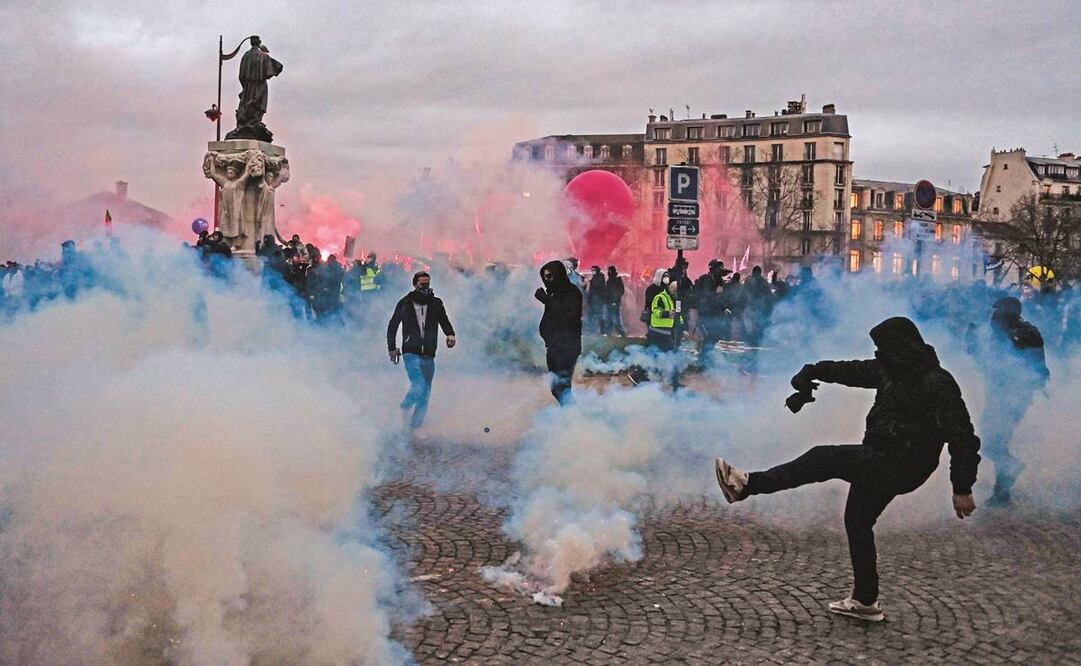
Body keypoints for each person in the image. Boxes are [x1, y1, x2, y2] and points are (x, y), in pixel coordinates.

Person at [714, 317, 980, 623]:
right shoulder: (891, 369)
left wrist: (962, 487)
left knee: (824, 458)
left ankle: (745, 484)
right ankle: (865, 601)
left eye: (883, 348)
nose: (878, 355)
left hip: (903, 464)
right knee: (857, 520)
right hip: (881, 455)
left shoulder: (936, 383)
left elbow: (963, 437)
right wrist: (814, 370)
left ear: (901, 347)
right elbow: (851, 370)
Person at [971, 296, 1049, 505]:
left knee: (994, 440)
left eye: (997, 313)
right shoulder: (1004, 333)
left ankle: (1003, 488)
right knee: (992, 440)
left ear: (1007, 315)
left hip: (1012, 397)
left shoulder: (1023, 335)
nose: (992, 317)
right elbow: (988, 363)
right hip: (999, 395)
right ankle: (1003, 487)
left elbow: (1036, 369)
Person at [387, 271, 456, 429]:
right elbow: (393, 325)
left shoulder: (436, 303)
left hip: (429, 353)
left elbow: (444, 320)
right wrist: (391, 348)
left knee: (425, 393)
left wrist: (450, 334)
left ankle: (414, 427)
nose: (426, 287)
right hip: (411, 351)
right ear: (415, 284)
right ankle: (403, 409)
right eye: (422, 284)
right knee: (418, 386)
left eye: (428, 284)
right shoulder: (405, 303)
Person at [535, 260, 583, 405]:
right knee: (557, 387)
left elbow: (568, 315)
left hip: (567, 347)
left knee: (561, 386)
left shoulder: (572, 292)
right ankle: (569, 415)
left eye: (550, 276)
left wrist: (547, 301)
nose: (547, 280)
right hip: (553, 346)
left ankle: (571, 415)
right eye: (545, 277)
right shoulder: (554, 293)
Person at [694, 260, 729, 364]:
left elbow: (720, 297)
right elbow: (708, 297)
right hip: (706, 314)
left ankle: (705, 360)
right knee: (709, 337)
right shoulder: (706, 280)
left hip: (714, 314)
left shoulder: (717, 281)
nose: (720, 273)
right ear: (712, 269)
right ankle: (702, 361)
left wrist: (723, 308)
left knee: (713, 338)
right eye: (718, 270)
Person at [647, 270, 682, 352]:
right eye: (674, 292)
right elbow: (656, 311)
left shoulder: (677, 301)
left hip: (668, 333)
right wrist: (667, 313)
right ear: (670, 290)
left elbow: (679, 314)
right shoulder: (660, 297)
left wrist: (682, 326)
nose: (676, 294)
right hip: (657, 332)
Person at [605, 266, 626, 337]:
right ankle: (609, 333)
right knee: (609, 319)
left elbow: (620, 291)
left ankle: (622, 333)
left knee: (616, 319)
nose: (608, 272)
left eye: (609, 271)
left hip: (615, 302)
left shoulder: (617, 280)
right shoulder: (610, 280)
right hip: (608, 302)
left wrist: (615, 300)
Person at [587, 265, 607, 333]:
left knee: (599, 315)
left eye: (594, 270)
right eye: (592, 270)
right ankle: (592, 330)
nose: (592, 272)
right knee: (592, 315)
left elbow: (598, 287)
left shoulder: (600, 277)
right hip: (593, 298)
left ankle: (602, 330)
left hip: (598, 298)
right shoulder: (594, 278)